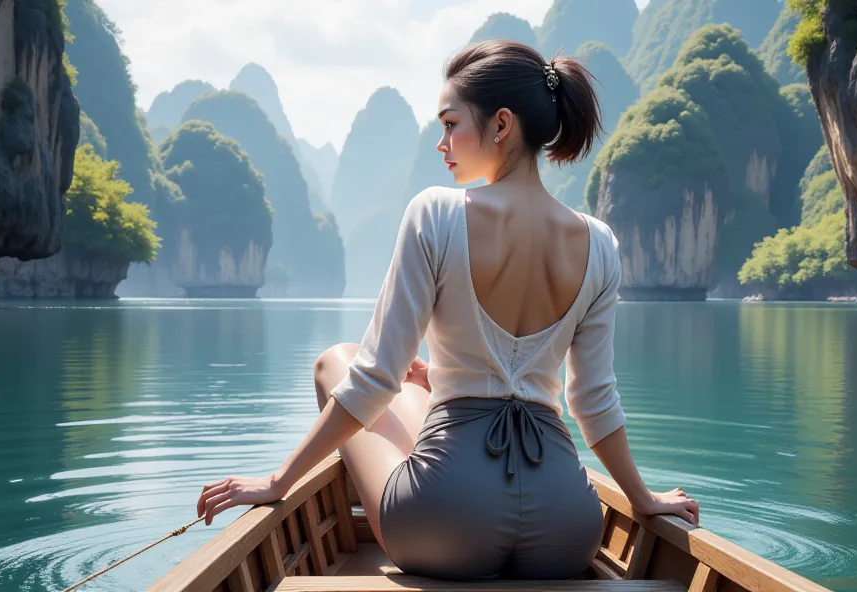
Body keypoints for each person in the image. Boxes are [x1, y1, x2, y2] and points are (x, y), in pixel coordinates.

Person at [196, 40, 699, 581]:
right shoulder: (600, 244)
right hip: (566, 527)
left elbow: (372, 380)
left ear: (501, 125)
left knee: (335, 362)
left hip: (445, 522)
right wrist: (642, 499)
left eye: (450, 123)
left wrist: (278, 481)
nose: (442, 143)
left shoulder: (436, 214)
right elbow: (593, 400)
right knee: (422, 382)